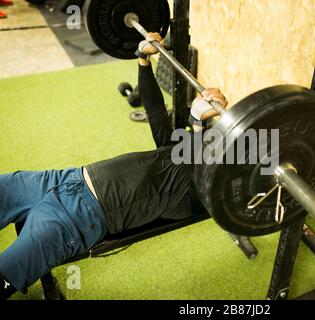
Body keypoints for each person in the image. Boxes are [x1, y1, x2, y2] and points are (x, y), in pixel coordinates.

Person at [0, 32, 227, 300]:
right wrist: (143, 59)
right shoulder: (180, 151)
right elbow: (155, 110)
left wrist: (198, 122)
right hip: (64, 179)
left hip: (74, 220)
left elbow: (200, 178)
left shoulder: (194, 194)